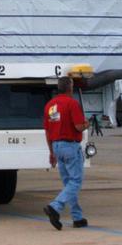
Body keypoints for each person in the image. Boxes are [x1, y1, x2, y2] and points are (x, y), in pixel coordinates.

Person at [43, 75, 88, 229]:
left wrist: (51, 152)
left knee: (69, 183)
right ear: (70, 87)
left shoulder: (51, 105)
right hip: (70, 146)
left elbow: (48, 132)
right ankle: (55, 206)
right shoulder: (72, 103)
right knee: (75, 181)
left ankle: (77, 217)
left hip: (56, 146)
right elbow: (78, 126)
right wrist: (86, 124)